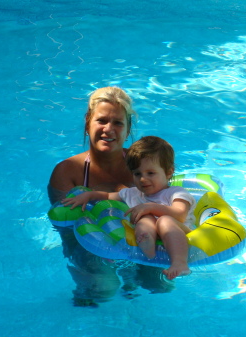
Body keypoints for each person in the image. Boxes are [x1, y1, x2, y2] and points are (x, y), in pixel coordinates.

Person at [48, 87, 173, 307]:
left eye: (117, 123)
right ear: (88, 123)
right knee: (103, 290)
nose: (108, 130)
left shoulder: (144, 167)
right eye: (101, 120)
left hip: (141, 238)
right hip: (91, 245)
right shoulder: (68, 171)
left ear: (128, 129)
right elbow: (65, 229)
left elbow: (164, 202)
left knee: (160, 285)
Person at [64, 136, 195, 280]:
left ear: (169, 172)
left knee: (164, 220)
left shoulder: (176, 193)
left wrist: (150, 207)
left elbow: (180, 214)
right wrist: (88, 196)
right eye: (137, 174)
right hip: (149, 233)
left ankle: (180, 263)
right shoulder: (133, 193)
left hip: (177, 232)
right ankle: (147, 244)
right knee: (144, 217)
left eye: (150, 173)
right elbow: (108, 196)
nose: (143, 179)